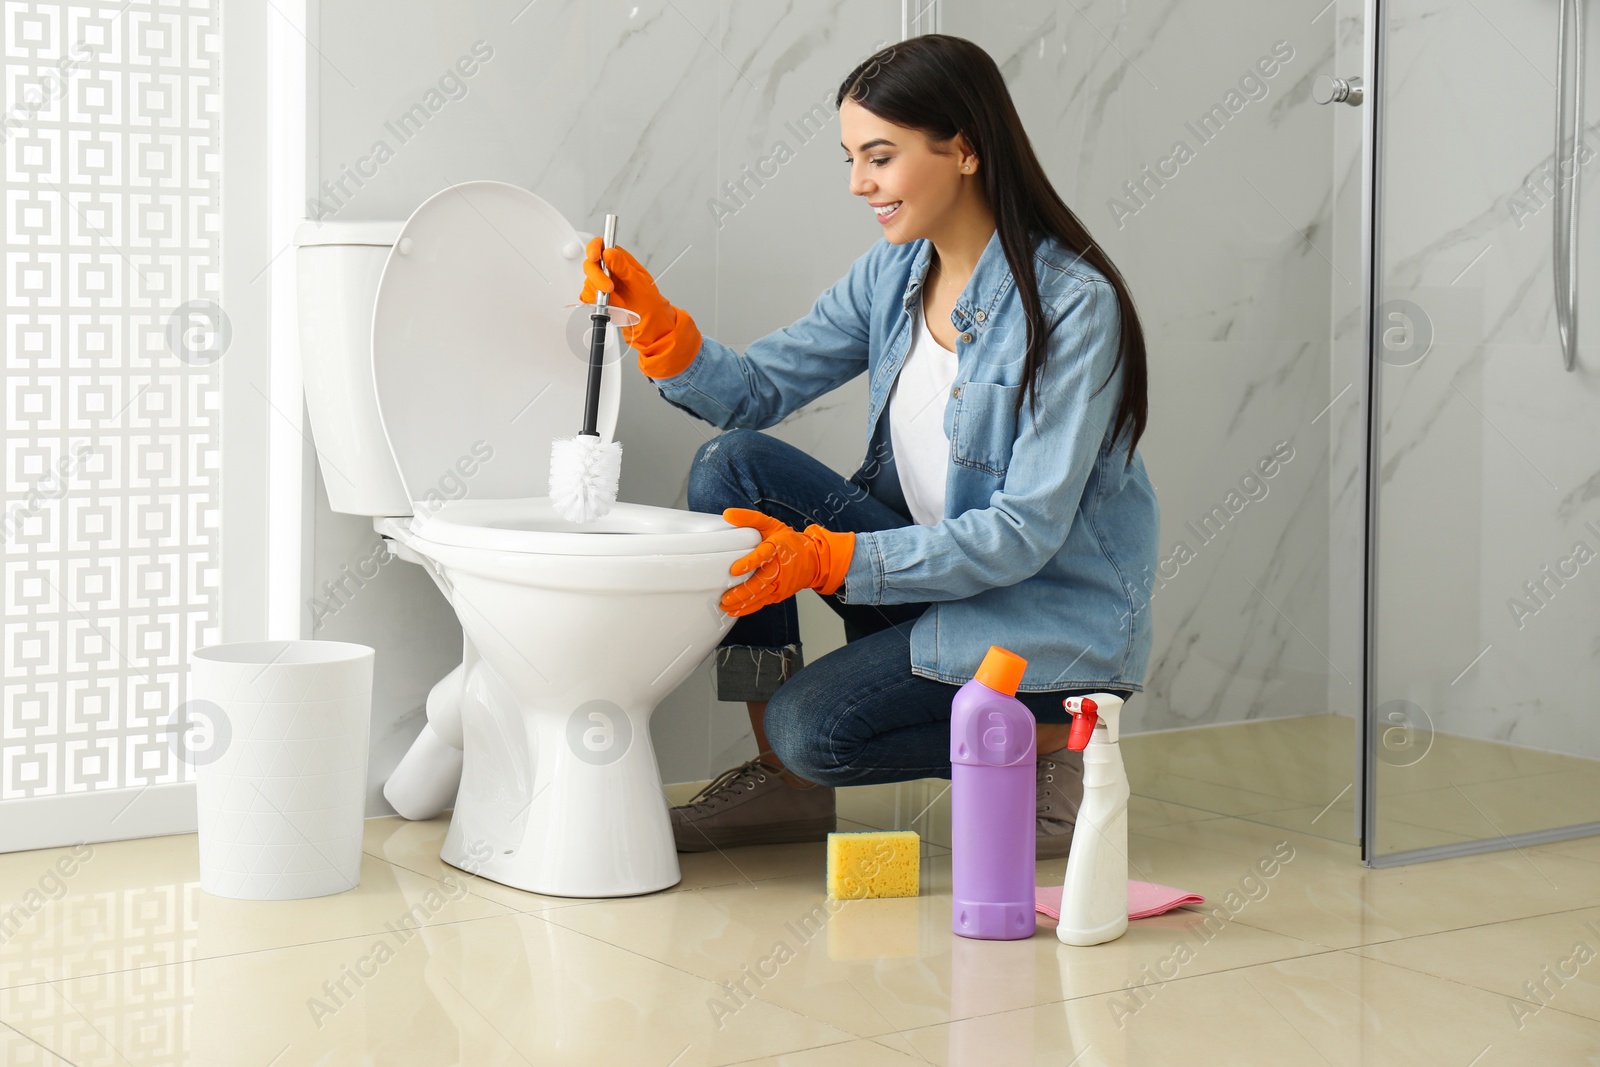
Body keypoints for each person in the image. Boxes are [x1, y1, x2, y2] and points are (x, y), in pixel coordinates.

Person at [577, 34, 1158, 858]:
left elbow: (1025, 533)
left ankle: (1056, 741)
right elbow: (752, 392)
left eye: (879, 157)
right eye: (852, 158)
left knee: (817, 728)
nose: (860, 184)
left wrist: (833, 559)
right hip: (937, 584)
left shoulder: (1071, 305)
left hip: (1035, 614)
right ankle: (785, 778)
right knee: (731, 464)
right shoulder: (892, 276)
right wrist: (660, 329)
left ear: (963, 148)